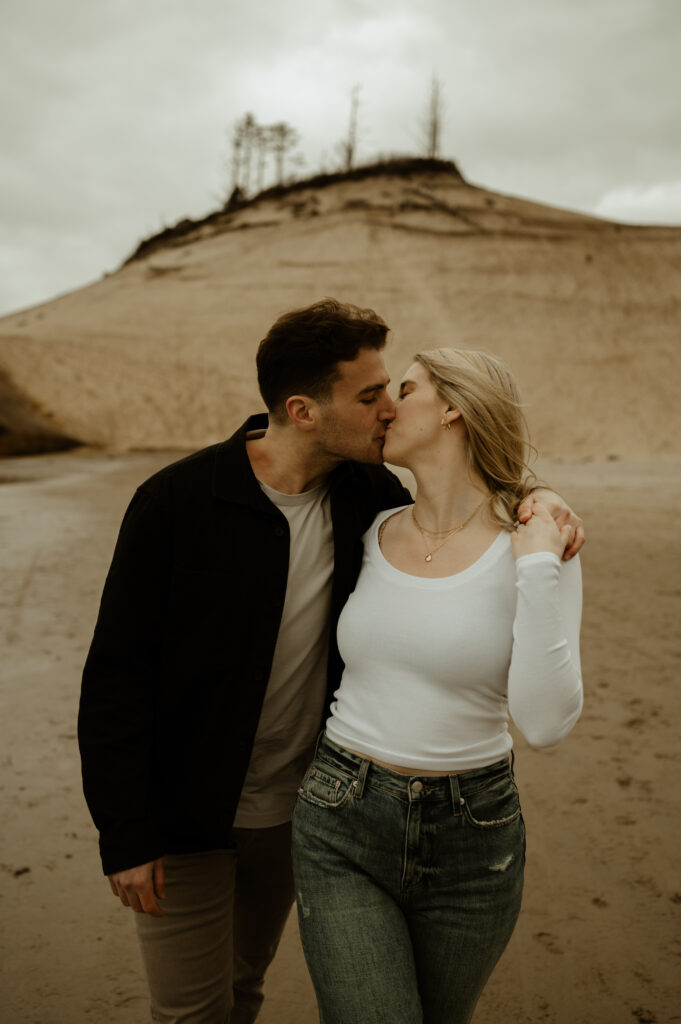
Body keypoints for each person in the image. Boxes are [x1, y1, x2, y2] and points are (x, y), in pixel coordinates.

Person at [78, 301, 584, 1024]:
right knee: (191, 1012)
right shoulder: (178, 502)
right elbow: (116, 676)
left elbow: (470, 502)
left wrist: (541, 504)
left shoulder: (367, 500)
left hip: (303, 809)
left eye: (394, 391)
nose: (384, 411)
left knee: (244, 984)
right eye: (370, 395)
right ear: (303, 410)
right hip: (191, 810)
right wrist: (124, 831)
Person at [291, 347, 584, 1024]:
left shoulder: (537, 538)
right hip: (340, 820)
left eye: (405, 388)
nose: (387, 405)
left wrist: (536, 567)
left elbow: (543, 725)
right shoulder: (366, 530)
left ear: (453, 407)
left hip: (473, 837)